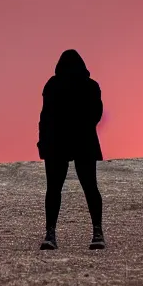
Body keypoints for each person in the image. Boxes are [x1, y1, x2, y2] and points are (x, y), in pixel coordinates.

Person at [37, 49, 105, 250]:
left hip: (59, 141)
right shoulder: (90, 86)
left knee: (54, 189)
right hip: (81, 140)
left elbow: (45, 117)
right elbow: (97, 114)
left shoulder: (53, 84)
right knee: (89, 187)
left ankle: (51, 233)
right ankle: (97, 232)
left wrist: (43, 141)